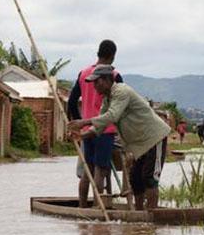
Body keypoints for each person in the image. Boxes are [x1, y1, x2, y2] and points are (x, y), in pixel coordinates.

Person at [68, 65, 171, 210]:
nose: (94, 86)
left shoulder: (121, 91)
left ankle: (151, 215)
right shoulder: (107, 99)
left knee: (149, 178)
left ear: (107, 80)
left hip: (155, 137)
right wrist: (81, 135)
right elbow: (100, 126)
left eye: (97, 82)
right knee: (135, 179)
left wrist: (83, 122)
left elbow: (112, 116)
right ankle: (139, 215)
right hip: (140, 144)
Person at [67, 40, 124, 208]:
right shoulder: (114, 75)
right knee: (101, 170)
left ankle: (83, 206)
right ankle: (98, 207)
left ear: (98, 53)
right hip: (105, 130)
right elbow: (120, 106)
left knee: (88, 170)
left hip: (87, 131)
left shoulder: (84, 73)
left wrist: (80, 123)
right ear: (112, 56)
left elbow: (71, 102)